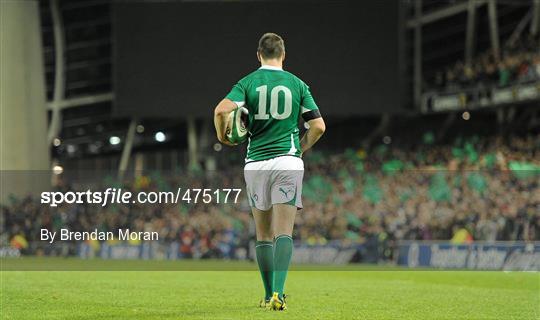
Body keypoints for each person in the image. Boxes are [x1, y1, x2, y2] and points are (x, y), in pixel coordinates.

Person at [213, 33, 326, 311]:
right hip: (287, 163)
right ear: (283, 54)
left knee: (262, 235)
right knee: (283, 232)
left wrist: (223, 137)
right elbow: (319, 126)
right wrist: (300, 147)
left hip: (256, 165)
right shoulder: (298, 84)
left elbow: (220, 110)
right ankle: (279, 293)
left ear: (258, 55)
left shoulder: (247, 82)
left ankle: (266, 296)